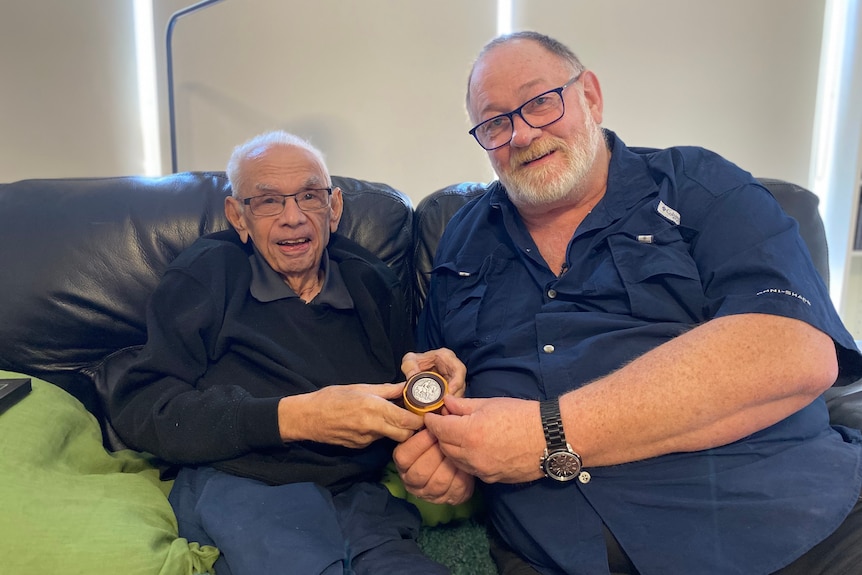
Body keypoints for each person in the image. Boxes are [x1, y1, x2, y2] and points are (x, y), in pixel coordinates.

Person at [394, 31, 862, 575]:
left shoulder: (699, 186)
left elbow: (793, 349)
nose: (521, 134)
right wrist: (442, 450)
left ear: (589, 96)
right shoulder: (461, 239)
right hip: (557, 552)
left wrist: (546, 433)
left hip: (778, 526)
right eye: (495, 122)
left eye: (540, 101)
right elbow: (435, 378)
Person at [107, 130, 457, 575]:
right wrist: (296, 417)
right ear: (238, 216)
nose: (293, 218)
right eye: (269, 201)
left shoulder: (372, 282)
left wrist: (429, 386)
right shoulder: (206, 276)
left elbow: (403, 387)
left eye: (309, 196)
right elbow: (142, 406)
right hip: (242, 484)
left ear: (333, 209)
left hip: (355, 492)